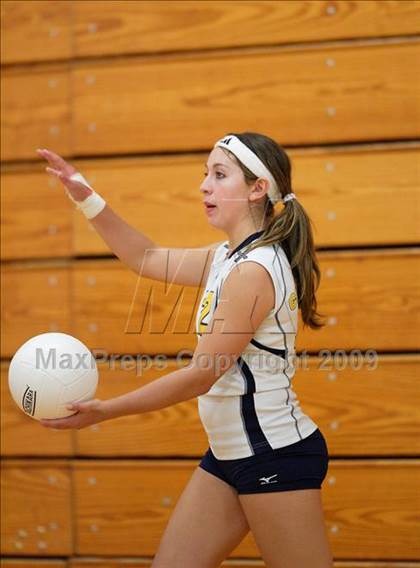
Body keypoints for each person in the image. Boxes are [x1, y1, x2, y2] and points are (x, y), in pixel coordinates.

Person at [36, 132, 334, 567]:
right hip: (229, 455)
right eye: (205, 174)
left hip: (273, 455)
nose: (204, 186)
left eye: (219, 174)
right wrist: (88, 199)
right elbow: (146, 256)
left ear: (257, 189)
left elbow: (201, 374)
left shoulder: (253, 271)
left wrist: (106, 410)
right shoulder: (226, 257)